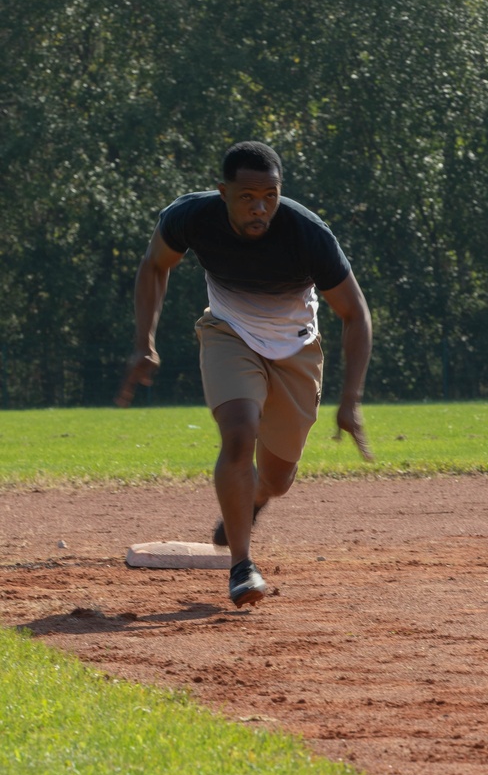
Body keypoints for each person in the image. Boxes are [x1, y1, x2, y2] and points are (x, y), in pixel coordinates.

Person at [116, 141, 373, 607]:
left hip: (296, 350)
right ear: (223, 192)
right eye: (248, 197)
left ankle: (253, 499)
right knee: (238, 434)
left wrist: (350, 400)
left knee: (278, 479)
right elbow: (155, 265)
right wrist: (144, 342)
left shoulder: (308, 234)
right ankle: (242, 566)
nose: (261, 208)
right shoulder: (191, 217)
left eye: (270, 196)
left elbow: (355, 313)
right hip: (227, 332)